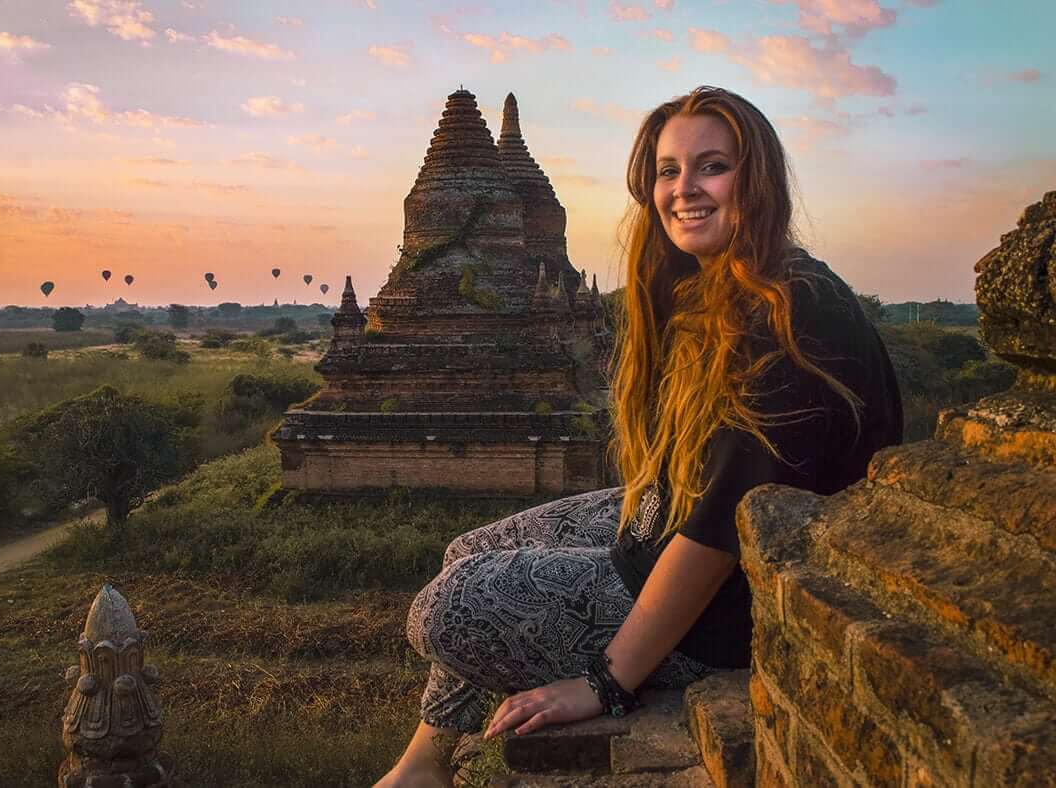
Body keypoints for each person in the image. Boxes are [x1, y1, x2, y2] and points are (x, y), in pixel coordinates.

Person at [374, 86, 903, 788]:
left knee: (446, 609)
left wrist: (606, 681)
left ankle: (607, 676)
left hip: (736, 600)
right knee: (467, 550)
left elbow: (723, 529)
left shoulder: (794, 309)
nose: (685, 189)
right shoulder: (708, 288)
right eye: (668, 171)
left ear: (759, 179)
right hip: (668, 524)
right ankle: (424, 765)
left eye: (713, 166)